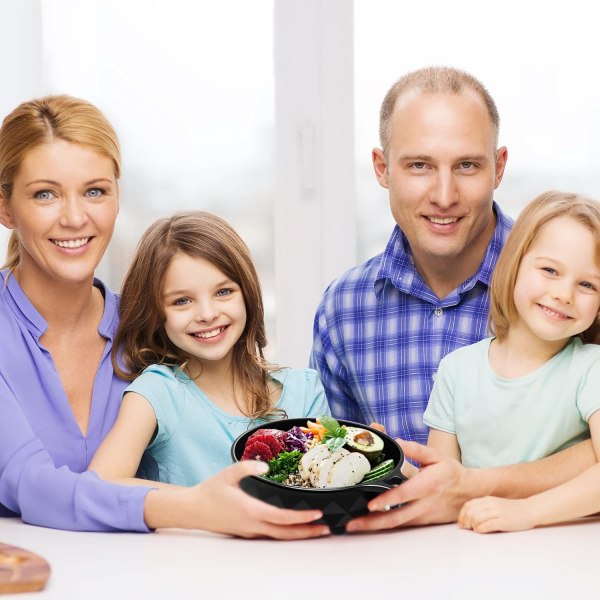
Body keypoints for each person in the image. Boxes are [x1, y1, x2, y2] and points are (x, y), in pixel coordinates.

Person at [0, 95, 329, 539]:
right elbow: (28, 482)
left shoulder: (148, 328)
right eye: (45, 194)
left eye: (95, 191)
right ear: (5, 207)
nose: (75, 217)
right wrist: (196, 506)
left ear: (117, 197)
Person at [310, 66, 511, 444]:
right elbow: (331, 477)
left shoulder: (569, 290)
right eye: (420, 165)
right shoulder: (343, 308)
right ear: (382, 169)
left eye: (467, 165)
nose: (444, 196)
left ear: (498, 168)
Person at [88, 211, 330, 485]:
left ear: (247, 293)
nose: (207, 313)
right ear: (156, 313)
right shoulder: (157, 393)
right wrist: (203, 504)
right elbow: (100, 485)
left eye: (223, 292)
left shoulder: (305, 390)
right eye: (182, 301)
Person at [423, 191, 600, 471]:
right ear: (514, 263)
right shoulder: (456, 371)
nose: (564, 294)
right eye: (550, 270)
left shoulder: (592, 369)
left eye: (588, 285)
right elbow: (441, 485)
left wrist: (517, 514)